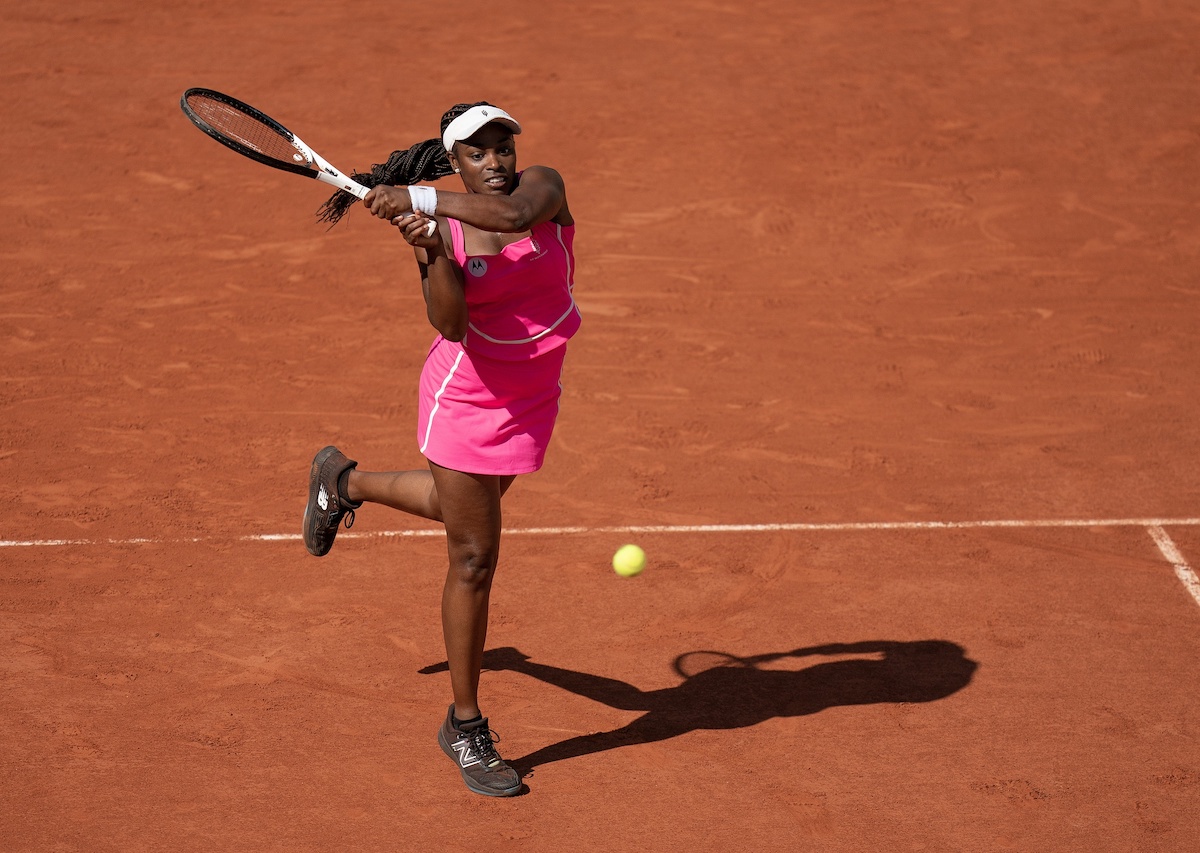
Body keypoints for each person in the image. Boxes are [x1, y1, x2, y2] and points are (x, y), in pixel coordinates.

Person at [301, 102, 580, 797]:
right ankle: (466, 725)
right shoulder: (445, 230)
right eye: (477, 152)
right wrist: (429, 248)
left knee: (456, 512)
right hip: (465, 399)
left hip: (531, 396)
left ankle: (344, 480)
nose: (496, 162)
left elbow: (515, 220)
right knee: (474, 554)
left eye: (502, 147)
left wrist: (423, 199)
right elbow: (451, 325)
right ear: (453, 161)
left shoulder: (544, 189)